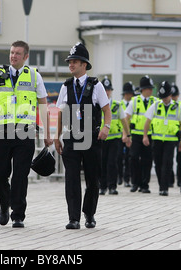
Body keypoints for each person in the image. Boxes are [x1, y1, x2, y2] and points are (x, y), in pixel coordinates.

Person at [0, 40, 52, 228]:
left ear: (25, 57)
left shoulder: (34, 76)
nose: (13, 56)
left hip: (25, 132)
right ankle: (4, 205)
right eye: (12, 52)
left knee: (20, 175)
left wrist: (46, 132)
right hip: (2, 131)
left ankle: (18, 215)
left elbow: (43, 104)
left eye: (18, 53)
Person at [54, 42, 111, 229]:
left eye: (75, 62)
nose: (71, 65)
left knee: (93, 178)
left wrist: (106, 127)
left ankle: (89, 213)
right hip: (70, 137)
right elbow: (61, 112)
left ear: (84, 65)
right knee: (71, 178)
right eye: (70, 62)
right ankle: (73, 218)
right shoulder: (66, 86)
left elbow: (106, 109)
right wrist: (57, 135)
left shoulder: (96, 85)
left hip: (91, 138)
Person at [143, 81, 181, 196]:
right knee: (158, 163)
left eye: (166, 97)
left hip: (170, 141)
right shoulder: (156, 105)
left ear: (170, 95)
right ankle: (161, 184)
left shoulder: (177, 107)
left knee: (167, 163)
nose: (164, 99)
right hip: (157, 140)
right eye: (162, 97)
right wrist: (145, 136)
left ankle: (164, 188)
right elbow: (148, 121)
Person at [99, 77, 131, 195]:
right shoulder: (97, 104)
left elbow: (124, 121)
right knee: (102, 162)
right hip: (101, 138)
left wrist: (127, 135)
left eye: (108, 90)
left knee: (112, 162)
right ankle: (102, 187)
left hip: (115, 139)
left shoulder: (117, 105)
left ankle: (112, 186)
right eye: (104, 90)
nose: (107, 92)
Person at [125, 75, 156, 193]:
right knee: (133, 158)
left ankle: (144, 184)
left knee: (147, 160)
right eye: (149, 88)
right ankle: (135, 182)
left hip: (149, 135)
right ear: (143, 89)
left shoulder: (155, 101)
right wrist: (126, 135)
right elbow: (126, 118)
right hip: (136, 135)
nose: (151, 90)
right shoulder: (134, 101)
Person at [117, 82, 135, 187]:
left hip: (130, 134)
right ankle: (120, 176)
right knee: (119, 157)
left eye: (131, 93)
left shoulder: (134, 104)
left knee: (129, 157)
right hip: (120, 134)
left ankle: (127, 179)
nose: (130, 95)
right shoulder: (120, 105)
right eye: (128, 93)